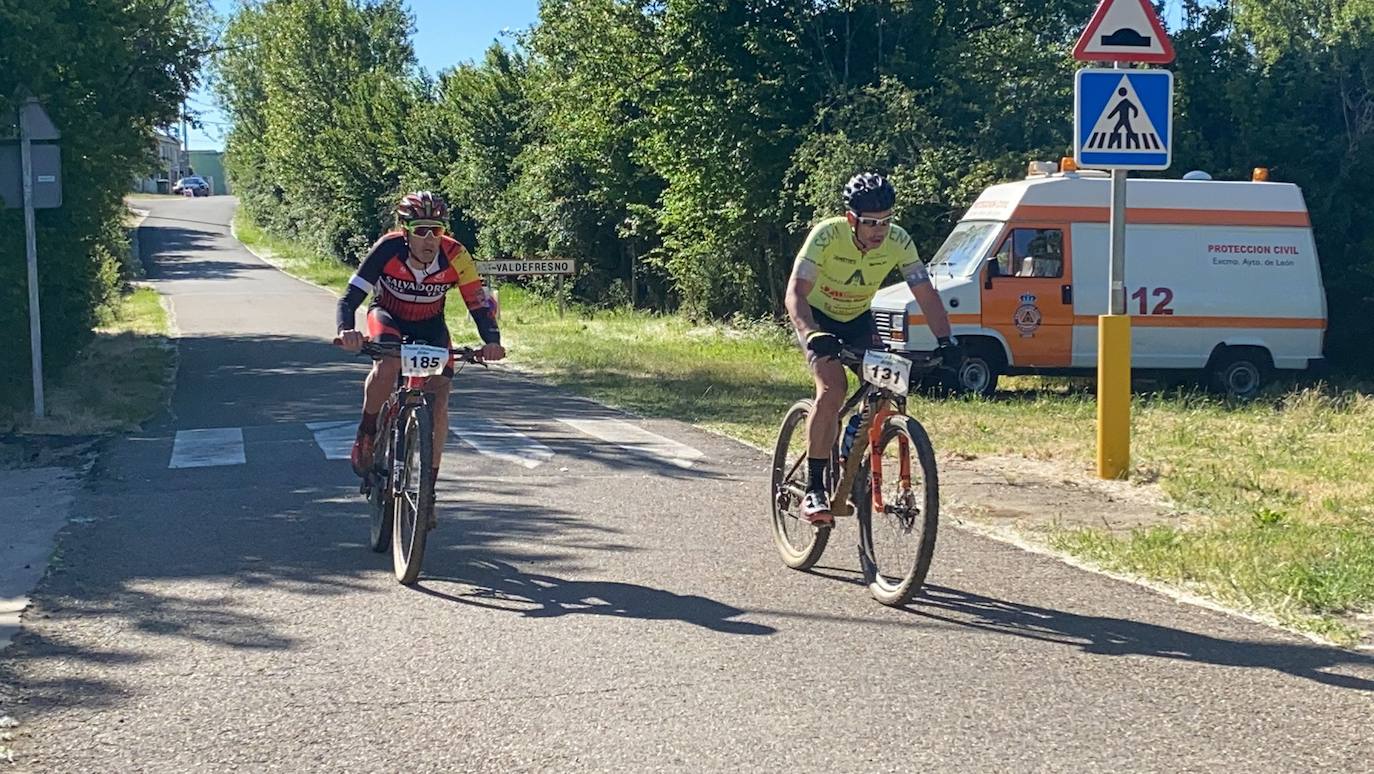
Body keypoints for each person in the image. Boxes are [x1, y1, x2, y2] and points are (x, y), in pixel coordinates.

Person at [784, 172, 960, 524]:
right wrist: (810, 332)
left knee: (887, 387)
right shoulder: (827, 236)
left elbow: (924, 292)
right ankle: (815, 489)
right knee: (833, 389)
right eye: (870, 223)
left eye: (886, 220)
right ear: (852, 219)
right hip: (817, 319)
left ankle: (851, 450)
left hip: (859, 320)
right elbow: (796, 293)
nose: (879, 230)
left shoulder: (899, 241)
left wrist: (947, 339)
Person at [335, 191, 505, 481]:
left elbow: (477, 302)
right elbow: (349, 298)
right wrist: (346, 331)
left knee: (440, 397)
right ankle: (366, 432)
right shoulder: (387, 249)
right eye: (421, 231)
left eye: (436, 230)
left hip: (430, 325)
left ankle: (429, 488)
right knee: (387, 366)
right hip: (388, 317)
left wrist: (492, 341)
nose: (430, 239)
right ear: (405, 231)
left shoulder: (456, 255)